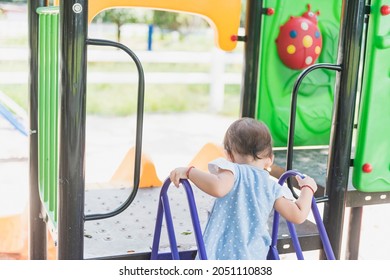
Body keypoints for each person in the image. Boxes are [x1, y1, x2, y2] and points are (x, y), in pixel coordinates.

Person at [169, 117, 318, 260]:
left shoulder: (232, 171)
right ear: (270, 159)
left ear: (229, 155)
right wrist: (307, 188)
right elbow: (298, 215)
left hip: (220, 255)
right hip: (252, 257)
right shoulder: (272, 187)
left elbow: (218, 188)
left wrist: (189, 172)